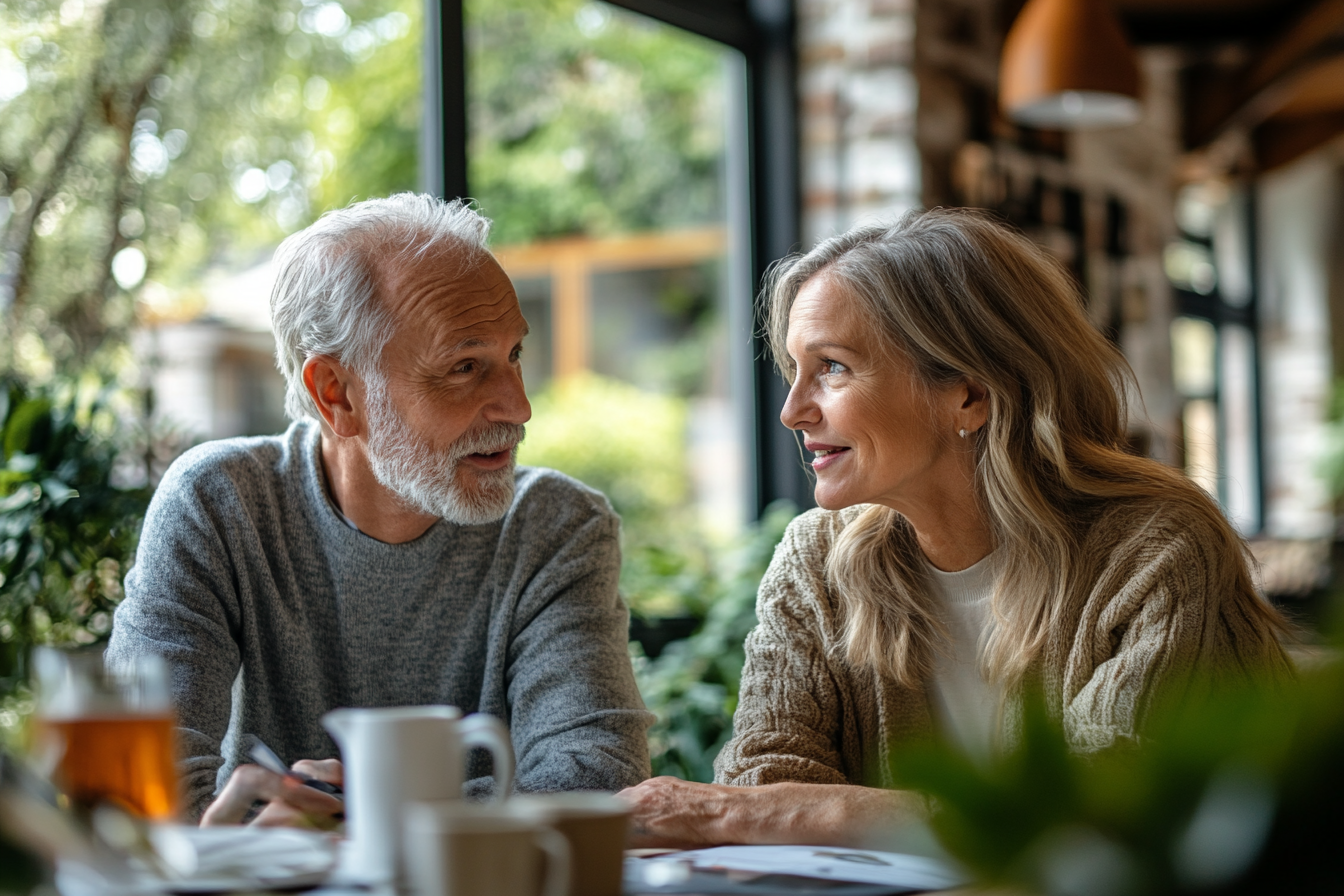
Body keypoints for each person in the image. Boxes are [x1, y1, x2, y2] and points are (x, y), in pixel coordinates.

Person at [616, 208, 1292, 847]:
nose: (794, 411)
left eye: (832, 368)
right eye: (795, 371)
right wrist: (792, 812)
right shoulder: (816, 561)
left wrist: (815, 810)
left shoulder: (1158, 549)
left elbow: (1102, 817)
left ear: (967, 393)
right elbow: (764, 784)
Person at [107, 193, 652, 825]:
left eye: (514, 356)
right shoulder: (219, 506)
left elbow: (599, 780)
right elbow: (138, 783)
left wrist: (360, 815)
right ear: (336, 393)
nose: (518, 406)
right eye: (465, 365)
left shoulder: (556, 526)